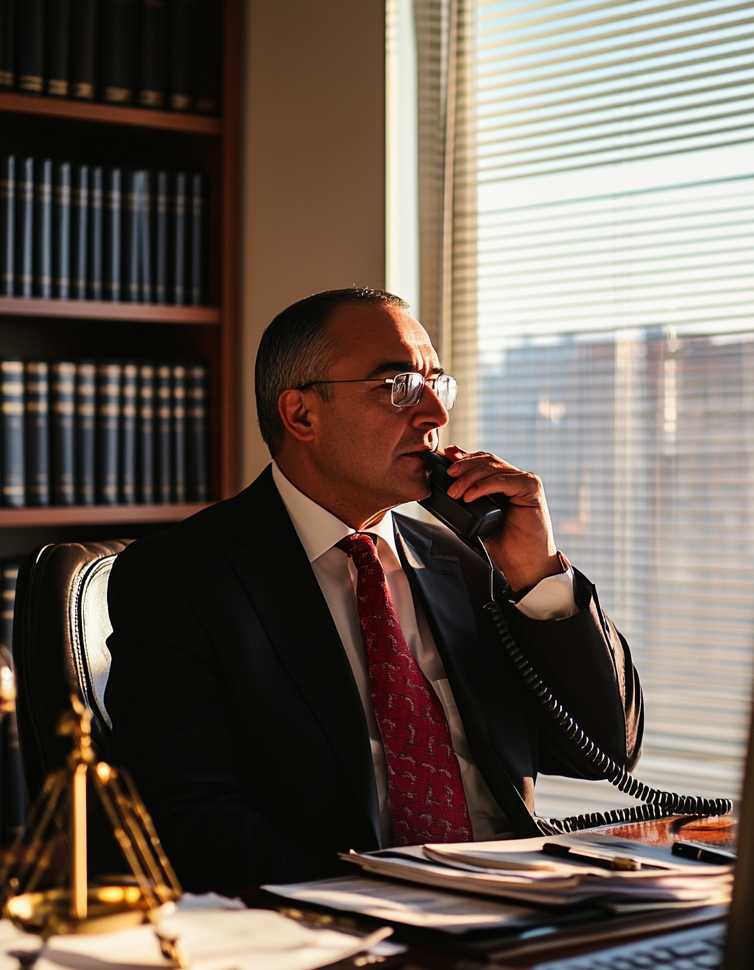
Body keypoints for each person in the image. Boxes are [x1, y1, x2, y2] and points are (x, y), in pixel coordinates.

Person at [105, 288, 643, 894]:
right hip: (342, 925)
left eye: (437, 384)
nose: (436, 416)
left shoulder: (467, 560)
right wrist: (390, 894)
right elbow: (187, 822)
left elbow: (603, 752)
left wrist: (540, 573)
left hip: (513, 904)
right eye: (398, 388)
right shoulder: (181, 579)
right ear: (301, 415)